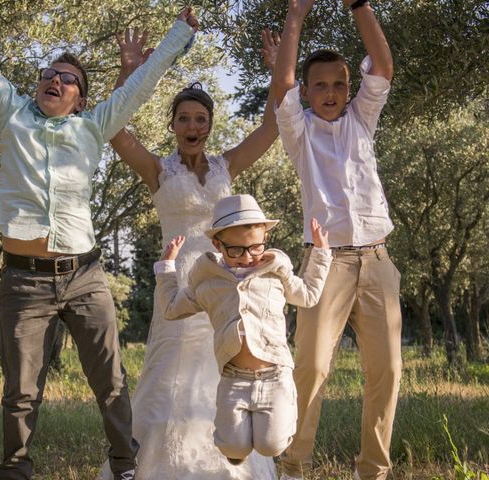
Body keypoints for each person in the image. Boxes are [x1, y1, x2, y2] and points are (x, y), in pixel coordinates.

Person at [0, 1, 197, 479]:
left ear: (80, 98)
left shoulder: (94, 125)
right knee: (20, 389)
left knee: (111, 381)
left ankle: (124, 465)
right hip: (23, 283)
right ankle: (15, 471)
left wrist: (178, 35)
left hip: (84, 276)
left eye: (66, 78)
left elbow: (142, 85)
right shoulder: (12, 114)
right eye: (47, 74)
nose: (53, 80)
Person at [97, 28, 283, 479]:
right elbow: (114, 129)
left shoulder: (227, 166)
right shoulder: (158, 171)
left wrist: (279, 70)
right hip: (176, 281)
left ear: (210, 124)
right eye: (184, 119)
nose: (193, 127)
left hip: (222, 281)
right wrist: (128, 72)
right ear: (173, 125)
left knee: (225, 364)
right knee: (167, 366)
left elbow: (273, 125)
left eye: (200, 119)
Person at [273, 1, 402, 479]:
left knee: (387, 374)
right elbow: (282, 84)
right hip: (324, 265)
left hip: (377, 259)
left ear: (351, 87)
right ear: (307, 92)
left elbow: (383, 66)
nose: (330, 92)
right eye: (320, 85)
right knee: (309, 371)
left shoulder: (362, 119)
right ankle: (292, 464)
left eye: (339, 84)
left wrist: (358, 5)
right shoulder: (299, 131)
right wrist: (295, 17)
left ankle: (373, 470)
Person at [155, 194, 332, 466]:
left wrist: (320, 253)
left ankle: (279, 425)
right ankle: (236, 446)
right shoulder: (207, 281)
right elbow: (171, 309)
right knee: (234, 448)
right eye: (236, 251)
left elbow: (307, 295)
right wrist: (166, 268)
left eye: (255, 248)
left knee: (271, 445)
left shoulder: (276, 272)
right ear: (218, 244)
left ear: (264, 242)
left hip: (275, 375)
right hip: (233, 379)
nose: (247, 258)